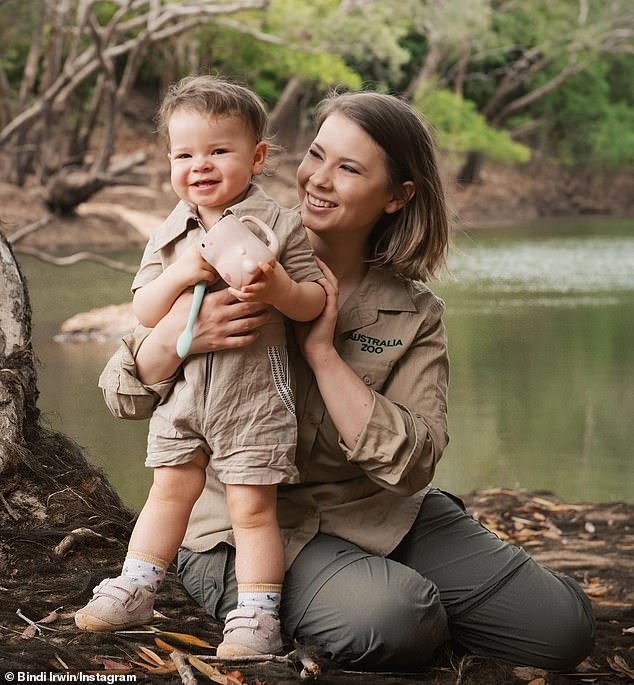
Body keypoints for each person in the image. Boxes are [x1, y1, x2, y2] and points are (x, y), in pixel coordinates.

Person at [94, 90, 595, 672]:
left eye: (349, 168)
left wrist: (323, 353)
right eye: (316, 154)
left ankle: (383, 592)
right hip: (244, 525)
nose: (318, 180)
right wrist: (183, 334)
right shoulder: (245, 249)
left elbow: (414, 462)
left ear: (397, 196)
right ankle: (327, 600)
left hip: (377, 511)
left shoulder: (414, 313)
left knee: (562, 630)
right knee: (397, 618)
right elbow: (122, 394)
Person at [74, 76, 326, 658]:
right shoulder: (170, 233)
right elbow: (142, 307)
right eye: (185, 154)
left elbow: (312, 301)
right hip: (182, 395)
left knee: (251, 506)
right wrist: (184, 271)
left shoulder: (280, 225)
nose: (200, 166)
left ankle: (257, 615)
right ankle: (138, 584)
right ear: (169, 162)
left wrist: (278, 286)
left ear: (257, 157)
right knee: (168, 490)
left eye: (218, 151)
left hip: (254, 395)